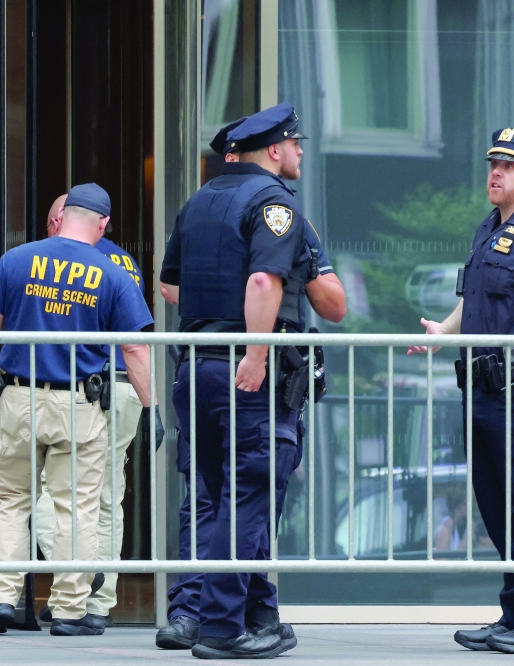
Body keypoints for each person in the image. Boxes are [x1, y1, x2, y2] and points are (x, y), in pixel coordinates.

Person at [158, 115, 346, 654]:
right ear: (273, 149)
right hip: (248, 374)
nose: (300, 154)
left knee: (222, 497)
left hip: (196, 368)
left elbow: (170, 285)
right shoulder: (275, 204)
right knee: (252, 495)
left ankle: (258, 614)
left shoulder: (198, 202)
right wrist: (257, 349)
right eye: (294, 145)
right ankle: (221, 627)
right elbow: (265, 280)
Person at [0, 183, 160, 637]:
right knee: (78, 506)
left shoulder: (17, 259)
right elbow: (134, 347)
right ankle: (71, 609)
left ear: (62, 216)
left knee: (11, 501)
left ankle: (0, 598)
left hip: (18, 396)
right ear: (102, 224)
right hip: (78, 403)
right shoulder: (112, 271)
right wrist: (150, 409)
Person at [410, 128, 514, 655]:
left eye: (509, 166)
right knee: (494, 505)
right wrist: (444, 332)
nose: (495, 173)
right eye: (493, 164)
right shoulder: (487, 228)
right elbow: (475, 297)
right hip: (480, 393)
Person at [31, 194, 150, 627]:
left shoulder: (65, 264)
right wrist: (151, 403)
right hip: (127, 386)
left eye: (51, 222)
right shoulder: (123, 262)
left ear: (61, 220)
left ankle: (81, 575)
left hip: (87, 389)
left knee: (52, 489)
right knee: (106, 499)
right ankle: (94, 606)